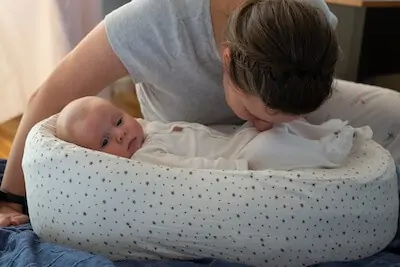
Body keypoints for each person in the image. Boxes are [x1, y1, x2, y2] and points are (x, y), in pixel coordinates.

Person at [0, 0, 398, 236]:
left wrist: (293, 120)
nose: (261, 125)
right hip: (186, 142)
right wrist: (9, 197)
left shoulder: (311, 18)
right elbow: (49, 95)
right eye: (251, 112)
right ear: (225, 60)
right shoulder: (154, 21)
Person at [55, 96, 372, 171]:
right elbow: (193, 169)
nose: (121, 134)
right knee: (268, 148)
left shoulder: (146, 128)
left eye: (118, 121)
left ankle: (325, 133)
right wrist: (232, 169)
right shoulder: (147, 158)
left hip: (237, 137)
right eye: (105, 141)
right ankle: (326, 154)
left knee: (280, 123)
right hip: (238, 158)